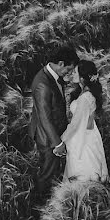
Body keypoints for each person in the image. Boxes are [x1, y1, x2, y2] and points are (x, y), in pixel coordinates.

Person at [28, 45, 79, 195]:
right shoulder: (42, 84)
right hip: (47, 138)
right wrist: (57, 143)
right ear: (61, 63)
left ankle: (49, 197)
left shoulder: (53, 76)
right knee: (47, 172)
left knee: (53, 169)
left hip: (54, 132)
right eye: (68, 69)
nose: (69, 73)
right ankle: (40, 203)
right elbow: (45, 118)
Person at [62, 59, 110, 184]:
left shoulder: (84, 98)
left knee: (83, 175)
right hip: (89, 134)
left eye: (75, 72)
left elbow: (76, 123)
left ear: (83, 77)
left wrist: (63, 140)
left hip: (83, 139)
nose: (72, 74)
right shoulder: (85, 93)